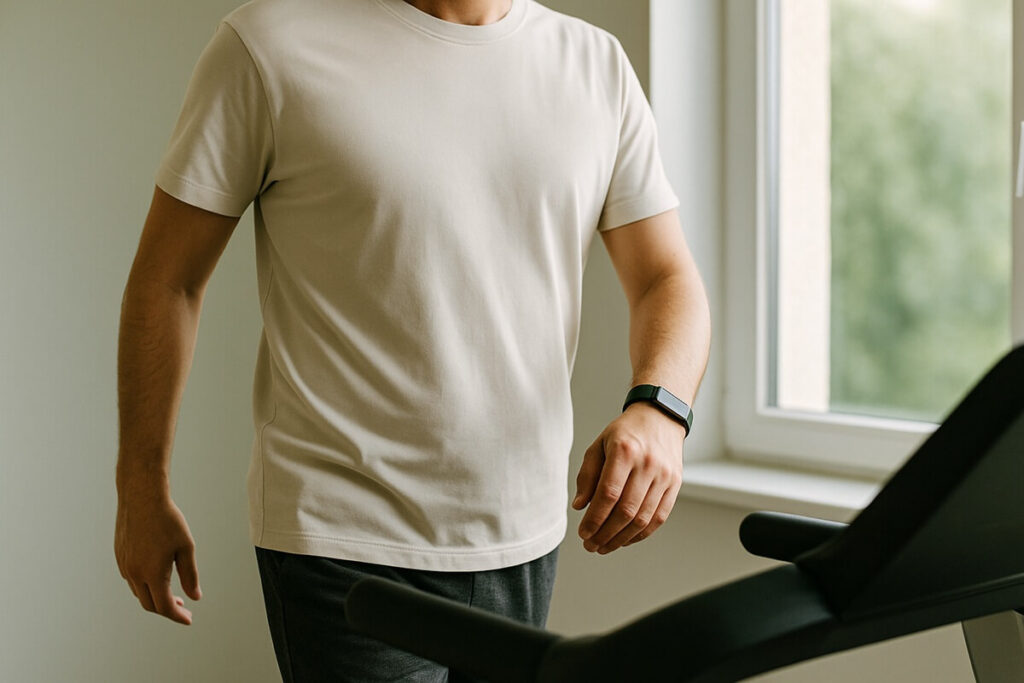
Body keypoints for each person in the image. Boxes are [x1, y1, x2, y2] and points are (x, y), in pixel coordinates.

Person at [114, 0, 711, 679]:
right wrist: (140, 485)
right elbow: (168, 280)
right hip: (341, 541)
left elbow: (668, 277)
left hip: (523, 537)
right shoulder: (268, 47)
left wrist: (662, 410)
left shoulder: (594, 65)